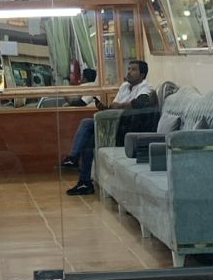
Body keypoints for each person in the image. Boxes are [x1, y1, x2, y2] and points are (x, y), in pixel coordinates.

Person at [63, 60, 156, 197]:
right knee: (88, 142)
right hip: (115, 123)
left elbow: (141, 102)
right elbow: (114, 106)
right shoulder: (124, 86)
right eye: (129, 68)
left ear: (142, 74)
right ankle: (84, 182)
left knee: (87, 123)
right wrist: (105, 108)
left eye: (133, 70)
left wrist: (120, 106)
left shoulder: (146, 87)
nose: (129, 72)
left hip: (128, 129)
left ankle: (73, 158)